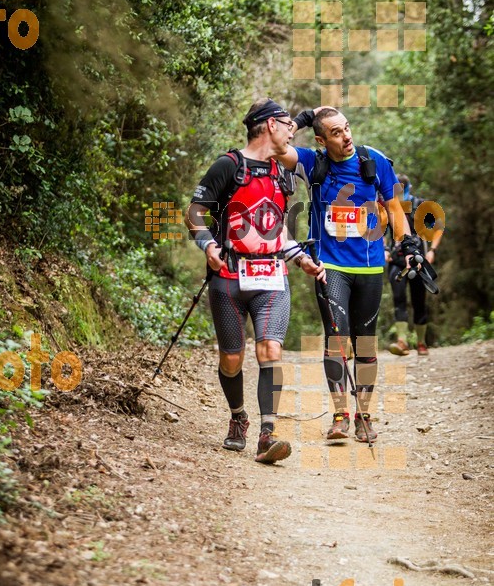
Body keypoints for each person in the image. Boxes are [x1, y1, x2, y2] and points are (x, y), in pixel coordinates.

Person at [184, 98, 325, 463]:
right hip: (228, 276)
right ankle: (238, 417)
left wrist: (301, 259)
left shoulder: (284, 172)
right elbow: (194, 211)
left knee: (270, 350)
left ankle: (267, 433)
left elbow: (278, 230)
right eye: (287, 123)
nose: (292, 130)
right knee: (232, 359)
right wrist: (208, 244)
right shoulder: (228, 166)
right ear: (269, 126)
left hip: (272, 277)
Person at [276, 106, 414, 443]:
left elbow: (394, 208)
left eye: (347, 128)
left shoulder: (373, 160)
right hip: (330, 266)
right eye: (336, 133)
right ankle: (340, 415)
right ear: (322, 140)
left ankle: (363, 416)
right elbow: (277, 147)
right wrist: (305, 118)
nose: (347, 136)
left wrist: (408, 244)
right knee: (337, 341)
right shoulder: (312, 162)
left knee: (365, 344)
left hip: (369, 267)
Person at [386, 174, 443, 356]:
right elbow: (379, 228)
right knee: (399, 299)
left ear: (407, 188)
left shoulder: (420, 206)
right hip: (397, 260)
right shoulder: (389, 207)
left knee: (419, 301)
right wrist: (384, 250)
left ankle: (421, 342)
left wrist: (432, 250)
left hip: (418, 260)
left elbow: (437, 227)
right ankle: (402, 341)